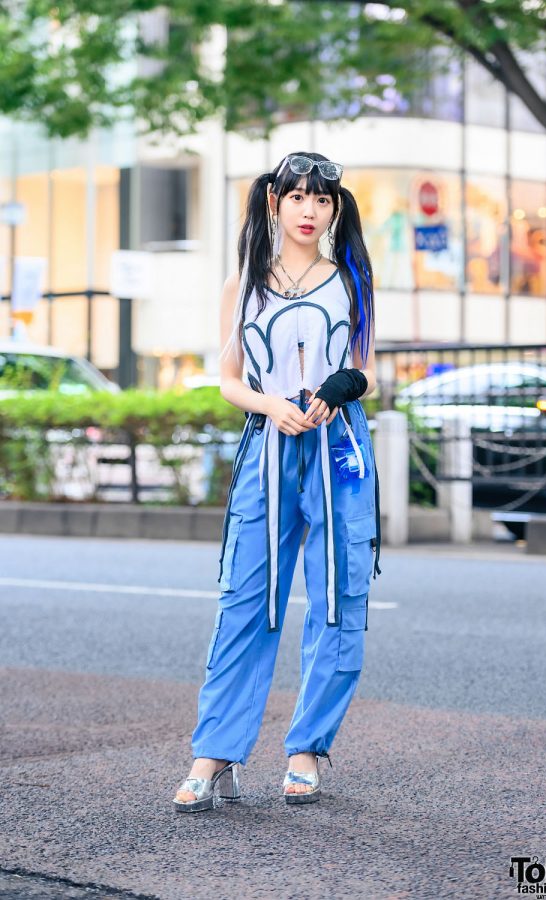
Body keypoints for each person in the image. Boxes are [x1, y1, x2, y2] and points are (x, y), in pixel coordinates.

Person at [173, 151, 382, 812]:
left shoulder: (350, 279)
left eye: (321, 200)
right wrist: (269, 404)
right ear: (275, 203)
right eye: (297, 198)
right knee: (247, 598)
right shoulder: (244, 284)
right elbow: (231, 378)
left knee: (336, 597)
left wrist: (338, 388)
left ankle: (306, 748)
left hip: (339, 451)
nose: (309, 211)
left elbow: (365, 368)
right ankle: (215, 753)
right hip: (268, 449)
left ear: (335, 209)